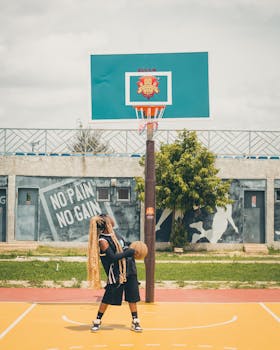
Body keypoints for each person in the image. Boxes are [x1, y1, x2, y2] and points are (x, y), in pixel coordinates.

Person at [87, 213, 142, 332]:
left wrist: (132, 247)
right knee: (108, 297)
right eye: (109, 218)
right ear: (106, 222)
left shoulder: (115, 233)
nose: (112, 219)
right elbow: (112, 257)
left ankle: (135, 320)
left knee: (132, 296)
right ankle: (97, 320)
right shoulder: (103, 240)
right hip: (116, 273)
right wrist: (128, 252)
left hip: (129, 269)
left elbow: (123, 246)